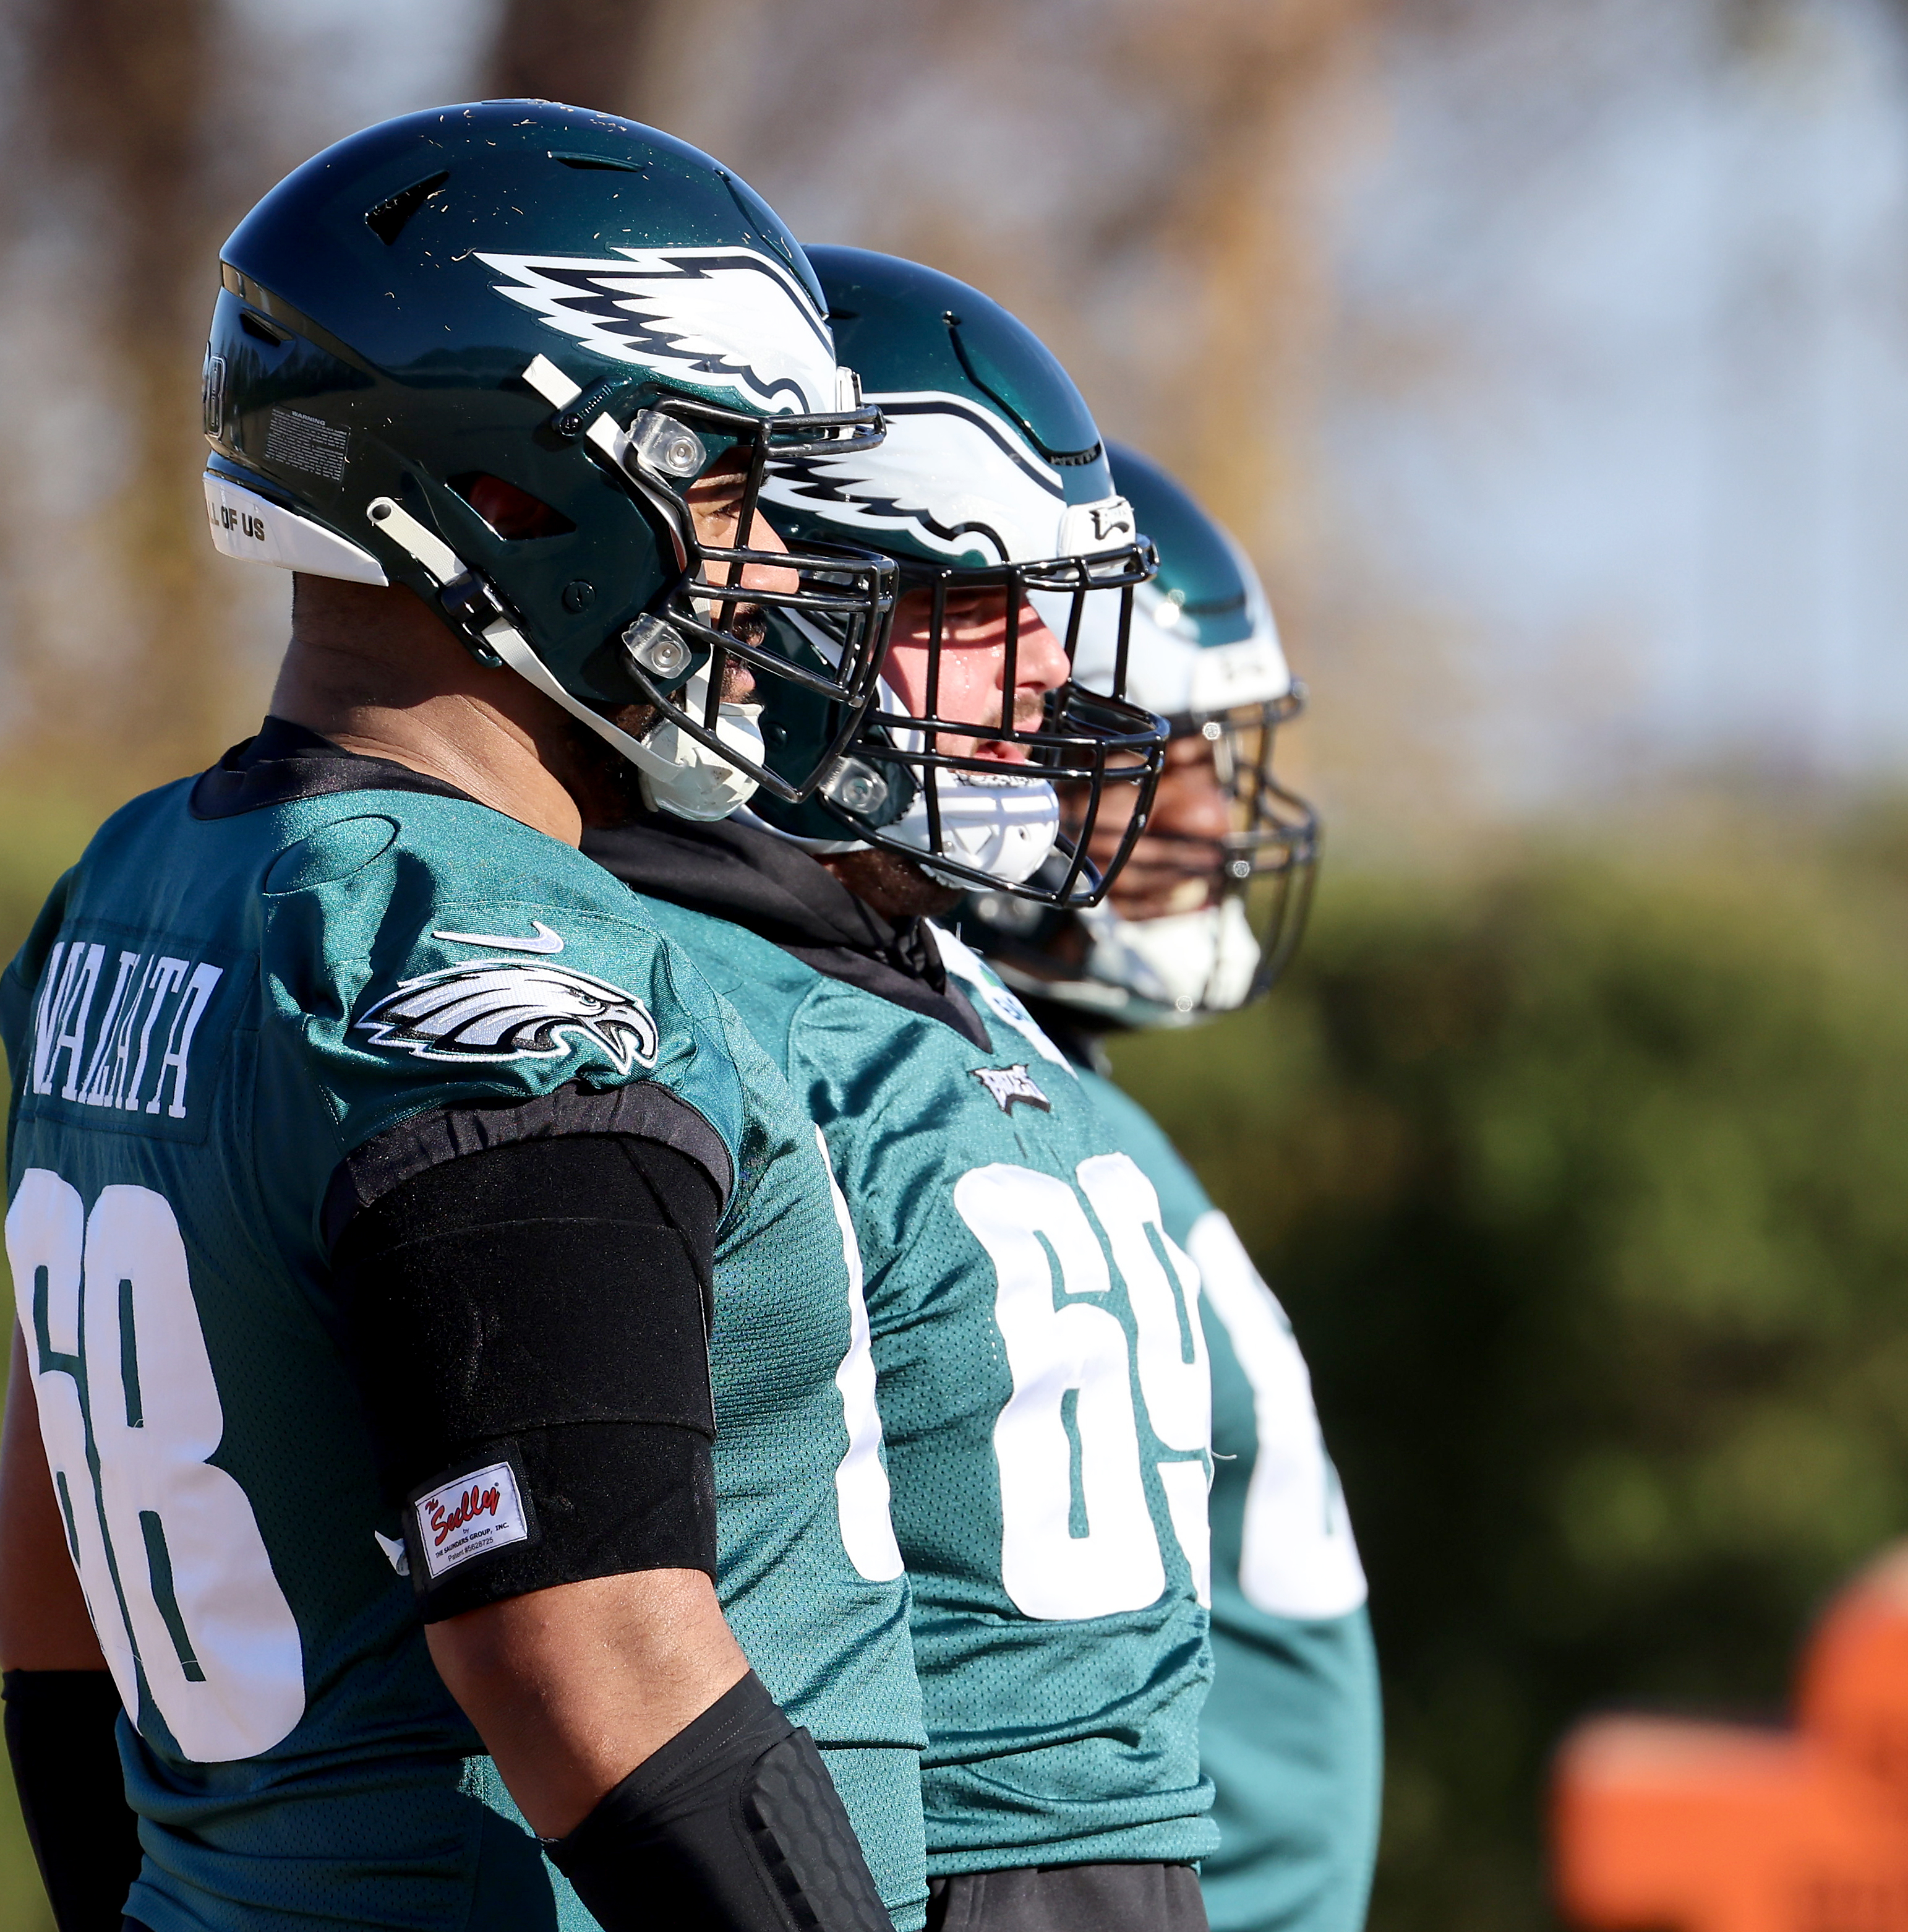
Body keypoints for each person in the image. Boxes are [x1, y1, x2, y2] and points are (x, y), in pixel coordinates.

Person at [0, 102, 932, 1932]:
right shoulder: (474, 944)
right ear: (507, 495)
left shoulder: (136, 882)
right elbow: (585, 1649)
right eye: (722, 482)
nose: (775, 568)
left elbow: (56, 1577)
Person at [584, 249, 1250, 1932]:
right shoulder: (670, 999)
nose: (1043, 667)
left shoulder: (955, 983)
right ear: (776, 606)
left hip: (1126, 1856)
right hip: (892, 1865)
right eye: (971, 601)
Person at [962, 442, 1382, 1932]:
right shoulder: (969, 1108)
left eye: (1216, 755)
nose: (1204, 819)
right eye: (1150, 755)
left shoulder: (1068, 1096)